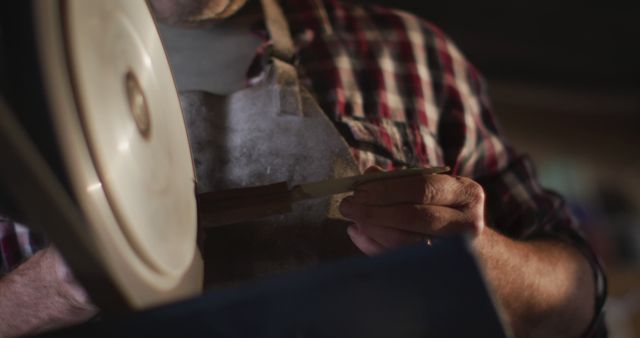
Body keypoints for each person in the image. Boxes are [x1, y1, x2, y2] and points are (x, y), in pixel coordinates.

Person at [0, 0, 606, 337]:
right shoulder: (13, 73)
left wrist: (479, 259)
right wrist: (48, 291)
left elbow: (581, 300)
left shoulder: (409, 52)